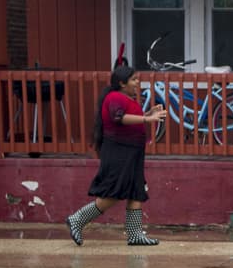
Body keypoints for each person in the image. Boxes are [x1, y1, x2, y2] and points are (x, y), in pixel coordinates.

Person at [65, 65, 167, 247]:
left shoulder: (127, 99)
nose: (137, 83)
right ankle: (77, 219)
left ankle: (135, 235)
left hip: (132, 153)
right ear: (122, 83)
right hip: (119, 153)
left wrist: (147, 114)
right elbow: (118, 117)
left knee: (136, 191)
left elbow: (129, 118)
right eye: (134, 79)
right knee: (113, 193)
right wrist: (146, 119)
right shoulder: (114, 97)